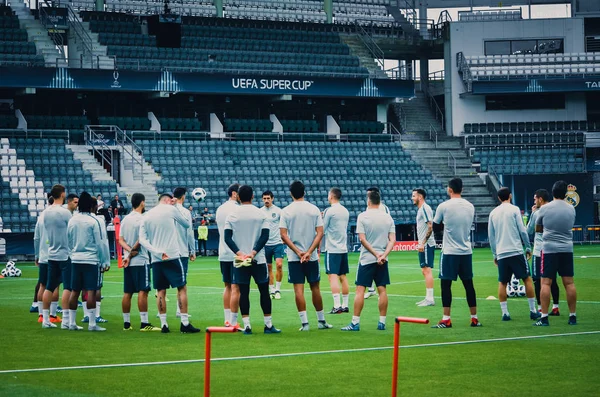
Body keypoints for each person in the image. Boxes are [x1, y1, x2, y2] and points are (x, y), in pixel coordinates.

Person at [224, 185, 281, 334]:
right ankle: (268, 325)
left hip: (240, 259)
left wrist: (239, 253)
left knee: (243, 291)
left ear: (238, 197)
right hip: (258, 259)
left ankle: (247, 325)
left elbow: (227, 238)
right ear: (253, 197)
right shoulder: (261, 215)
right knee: (264, 291)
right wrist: (254, 252)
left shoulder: (232, 215)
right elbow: (265, 236)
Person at [139, 193, 200, 333]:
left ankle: (164, 324)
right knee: (182, 288)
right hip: (172, 255)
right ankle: (184, 323)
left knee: (160, 290)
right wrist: (176, 206)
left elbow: (142, 239)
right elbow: (186, 224)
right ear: (168, 200)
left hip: (157, 258)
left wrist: (156, 251)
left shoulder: (147, 215)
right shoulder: (171, 209)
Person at [280, 180, 332, 331]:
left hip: (294, 257)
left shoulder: (286, 211)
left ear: (291, 194)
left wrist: (298, 252)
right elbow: (320, 232)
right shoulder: (314, 209)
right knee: (315, 287)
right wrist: (309, 252)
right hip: (311, 256)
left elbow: (283, 235)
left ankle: (305, 324)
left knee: (298, 289)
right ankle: (321, 321)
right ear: (304, 192)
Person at [342, 189, 395, 331]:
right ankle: (382, 322)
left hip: (367, 259)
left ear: (369, 200)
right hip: (383, 259)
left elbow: (362, 239)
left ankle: (355, 322)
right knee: (382, 290)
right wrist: (383, 255)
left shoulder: (363, 216)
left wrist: (376, 254)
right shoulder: (388, 217)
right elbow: (392, 240)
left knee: (360, 290)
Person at [432, 178, 481, 328]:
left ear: (449, 189)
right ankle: (474, 318)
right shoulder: (470, 206)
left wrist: (444, 226)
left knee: (445, 285)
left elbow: (435, 226)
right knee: (469, 285)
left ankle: (446, 318)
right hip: (466, 251)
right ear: (462, 189)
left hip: (449, 251)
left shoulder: (444, 206)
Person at [488, 187, 539, 321]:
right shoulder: (515, 209)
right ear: (510, 195)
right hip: (516, 251)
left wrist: (495, 254)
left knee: (503, 282)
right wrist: (528, 247)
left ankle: (505, 313)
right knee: (527, 279)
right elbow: (522, 230)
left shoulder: (493, 213)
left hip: (502, 253)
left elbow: (491, 236)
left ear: (499, 198)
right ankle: (533, 311)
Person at [534, 181, 578, 326]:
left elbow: (538, 229)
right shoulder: (571, 209)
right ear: (565, 194)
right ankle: (572, 316)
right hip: (566, 248)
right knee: (569, 283)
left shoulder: (544, 209)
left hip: (549, 249)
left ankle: (544, 317)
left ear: (552, 192)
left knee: (546, 283)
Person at [67, 192, 110, 331]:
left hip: (76, 259)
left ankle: (72, 322)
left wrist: (72, 253)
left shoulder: (73, 219)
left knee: (75, 291)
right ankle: (92, 323)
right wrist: (105, 261)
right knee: (91, 291)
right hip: (91, 260)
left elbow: (69, 239)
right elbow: (101, 243)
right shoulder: (94, 221)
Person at [119, 193, 161, 332]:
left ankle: (126, 323)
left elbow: (121, 240)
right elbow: (141, 239)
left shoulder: (125, 219)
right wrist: (132, 253)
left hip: (128, 261)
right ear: (142, 203)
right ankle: (144, 323)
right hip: (140, 259)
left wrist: (128, 253)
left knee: (128, 292)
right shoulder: (142, 219)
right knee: (143, 290)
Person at [41, 185, 73, 329]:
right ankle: (66, 320)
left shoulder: (46, 212)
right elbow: (71, 231)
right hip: (65, 253)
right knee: (67, 287)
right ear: (62, 194)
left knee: (49, 287)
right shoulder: (65, 212)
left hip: (51, 252)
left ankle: (45, 319)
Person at [527, 189, 560, 314]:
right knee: (553, 280)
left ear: (540, 199)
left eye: (535, 199)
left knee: (537, 280)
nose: (534, 201)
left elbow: (529, 230)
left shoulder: (537, 213)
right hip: (554, 249)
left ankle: (541, 308)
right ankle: (555, 307)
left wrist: (533, 213)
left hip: (539, 250)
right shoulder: (555, 211)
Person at [33, 194, 61, 324]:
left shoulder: (41, 217)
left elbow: (36, 238)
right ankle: (53, 315)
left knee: (43, 285)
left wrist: (37, 255)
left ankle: (41, 315)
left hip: (43, 255)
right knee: (55, 286)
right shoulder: (58, 216)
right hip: (55, 255)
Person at [215, 183, 240, 326]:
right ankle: (233, 320)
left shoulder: (220, 209)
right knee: (236, 287)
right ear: (234, 194)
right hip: (236, 252)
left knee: (227, 286)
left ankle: (227, 319)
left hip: (223, 251)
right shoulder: (237, 209)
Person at [322, 187, 350, 314]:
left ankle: (337, 305)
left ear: (331, 196)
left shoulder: (330, 210)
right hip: (343, 248)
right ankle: (345, 305)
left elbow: (322, 229)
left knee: (332, 277)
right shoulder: (345, 210)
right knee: (343, 276)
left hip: (332, 248)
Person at [173, 187, 196, 318]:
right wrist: (193, 250)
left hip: (166, 252)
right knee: (181, 284)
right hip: (181, 252)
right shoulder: (186, 212)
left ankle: (161, 314)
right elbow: (189, 233)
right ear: (183, 197)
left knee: (162, 285)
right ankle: (179, 311)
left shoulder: (166, 211)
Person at [364, 186, 391, 300]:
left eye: (369, 194)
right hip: (371, 243)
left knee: (376, 266)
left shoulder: (382, 208)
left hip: (379, 243)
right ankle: (371, 289)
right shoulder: (368, 208)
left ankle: (376, 290)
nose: (368, 197)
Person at [412, 188, 436, 307]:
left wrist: (422, 242)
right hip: (424, 244)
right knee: (424, 270)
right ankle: (428, 297)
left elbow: (430, 226)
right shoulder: (421, 209)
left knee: (427, 270)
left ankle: (430, 299)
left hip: (426, 244)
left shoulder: (425, 208)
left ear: (420, 197)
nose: (412, 198)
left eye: (414, 196)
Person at [260, 190, 285, 300]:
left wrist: (284, 237)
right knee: (268, 267)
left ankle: (278, 289)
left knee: (279, 265)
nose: (266, 200)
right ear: (262, 199)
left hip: (278, 243)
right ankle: (272, 290)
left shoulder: (278, 211)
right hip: (266, 244)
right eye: (264, 198)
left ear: (272, 198)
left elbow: (284, 225)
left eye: (268, 198)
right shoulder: (260, 212)